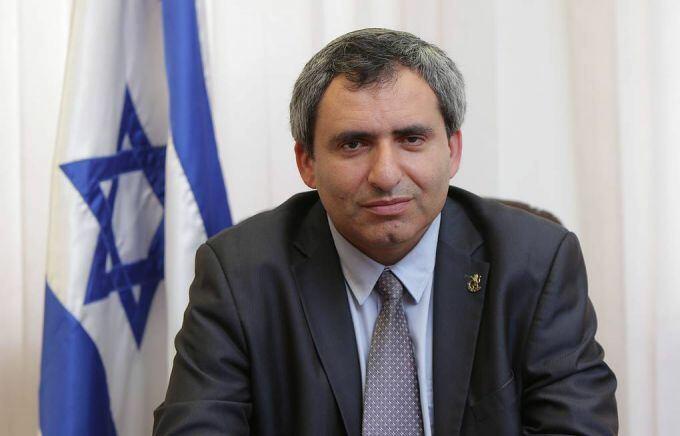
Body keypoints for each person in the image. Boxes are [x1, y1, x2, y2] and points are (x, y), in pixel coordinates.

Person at [153, 28, 618, 435]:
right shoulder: (240, 274)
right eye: (354, 144)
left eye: (411, 139)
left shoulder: (535, 263)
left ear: (453, 150)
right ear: (307, 162)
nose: (386, 174)